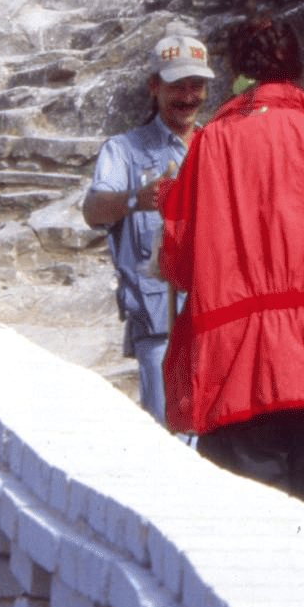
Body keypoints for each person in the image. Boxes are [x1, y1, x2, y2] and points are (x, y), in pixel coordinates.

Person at [159, 15, 304, 503]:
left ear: (240, 70)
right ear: (296, 67)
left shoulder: (210, 143)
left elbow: (177, 266)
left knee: (245, 509)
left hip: (234, 352)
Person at [82, 33, 214, 424]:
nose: (188, 97)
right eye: (177, 87)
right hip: (159, 323)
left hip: (216, 316)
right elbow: (92, 210)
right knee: (171, 432)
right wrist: (134, 200)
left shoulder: (216, 144)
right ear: (154, 87)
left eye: (196, 86)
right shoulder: (122, 150)